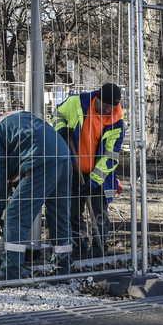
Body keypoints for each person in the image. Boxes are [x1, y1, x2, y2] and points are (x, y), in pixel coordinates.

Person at [0, 109, 72, 279]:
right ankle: (62, 267)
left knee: (14, 216)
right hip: (62, 154)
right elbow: (19, 151)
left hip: (40, 159)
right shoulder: (11, 117)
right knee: (60, 216)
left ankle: (11, 270)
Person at [53, 83, 125, 257]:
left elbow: (110, 157)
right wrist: (61, 129)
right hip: (72, 169)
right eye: (105, 105)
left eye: (112, 106)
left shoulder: (117, 122)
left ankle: (99, 248)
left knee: (99, 212)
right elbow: (57, 114)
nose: (108, 109)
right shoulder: (77, 102)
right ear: (97, 98)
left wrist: (92, 182)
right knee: (73, 211)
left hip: (99, 176)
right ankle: (78, 246)